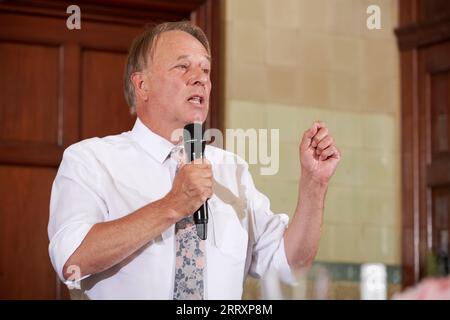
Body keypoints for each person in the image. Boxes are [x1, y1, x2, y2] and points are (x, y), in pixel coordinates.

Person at [48, 21, 340, 300]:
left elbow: (290, 265)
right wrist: (173, 205)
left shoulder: (232, 169)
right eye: (183, 66)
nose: (199, 78)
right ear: (142, 85)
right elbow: (72, 258)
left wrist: (314, 184)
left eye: (205, 70)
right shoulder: (90, 160)